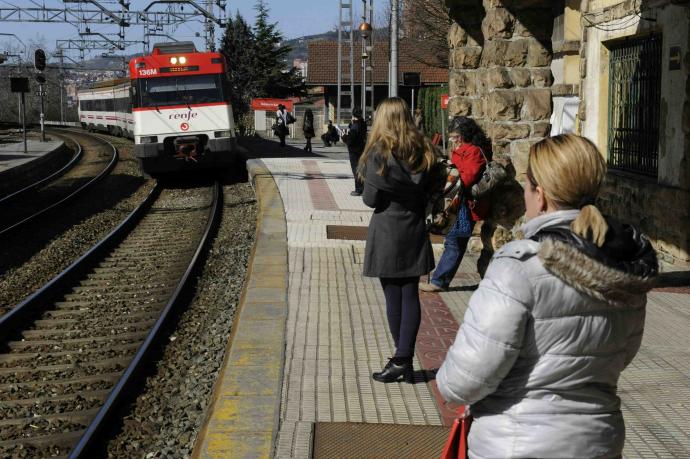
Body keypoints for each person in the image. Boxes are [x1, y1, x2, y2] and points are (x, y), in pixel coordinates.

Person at [436, 134, 658, 458]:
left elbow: (465, 380)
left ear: (539, 194)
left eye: (527, 187)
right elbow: (623, 355)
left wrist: (445, 382)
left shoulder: (519, 267)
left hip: (518, 441)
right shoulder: (625, 266)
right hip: (599, 442)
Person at [359, 97, 438, 383]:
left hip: (388, 229)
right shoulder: (424, 150)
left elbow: (370, 200)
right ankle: (402, 355)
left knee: (393, 294)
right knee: (410, 293)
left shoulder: (379, 154)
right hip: (414, 226)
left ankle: (401, 358)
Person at [419, 116, 491, 292]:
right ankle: (440, 280)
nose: (453, 140)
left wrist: (447, 175)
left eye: (455, 136)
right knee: (454, 241)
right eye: (451, 137)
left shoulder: (473, 151)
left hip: (465, 204)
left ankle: (439, 281)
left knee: (455, 242)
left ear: (464, 134)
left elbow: (467, 178)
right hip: (458, 203)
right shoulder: (461, 150)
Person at [346, 107, 367, 196]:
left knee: (356, 169)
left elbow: (350, 140)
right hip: (362, 148)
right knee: (362, 168)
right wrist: (352, 123)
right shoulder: (363, 123)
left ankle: (358, 189)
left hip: (354, 151)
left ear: (353, 115)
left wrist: (344, 138)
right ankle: (364, 188)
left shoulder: (355, 126)